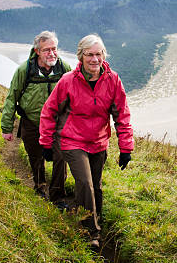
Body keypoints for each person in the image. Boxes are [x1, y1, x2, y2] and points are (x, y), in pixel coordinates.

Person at [39, 34, 133, 248]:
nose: (94, 59)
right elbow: (49, 111)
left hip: (98, 142)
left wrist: (126, 147)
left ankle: (94, 218)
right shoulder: (68, 81)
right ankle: (91, 233)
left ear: (103, 56)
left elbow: (122, 115)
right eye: (89, 54)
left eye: (98, 54)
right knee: (84, 183)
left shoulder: (113, 80)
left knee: (96, 187)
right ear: (80, 57)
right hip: (73, 140)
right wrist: (46, 143)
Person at [1, 31, 71, 204]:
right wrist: (7, 127)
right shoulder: (24, 70)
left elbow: (75, 95)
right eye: (46, 50)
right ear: (37, 51)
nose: (52, 53)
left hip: (58, 124)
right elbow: (12, 97)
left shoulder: (65, 69)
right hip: (31, 123)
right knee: (36, 157)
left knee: (61, 158)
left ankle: (58, 196)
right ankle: (39, 186)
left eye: (54, 49)